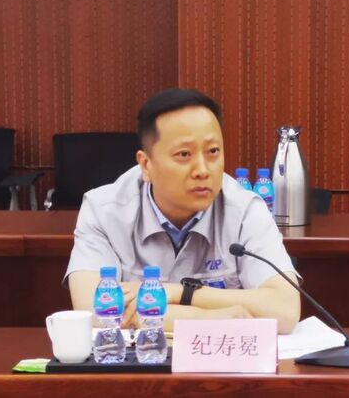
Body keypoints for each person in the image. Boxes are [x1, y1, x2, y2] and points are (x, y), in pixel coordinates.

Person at [65, 88, 300, 333]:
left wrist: (182, 293)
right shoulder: (103, 211)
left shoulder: (245, 210)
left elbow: (285, 310)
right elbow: (95, 311)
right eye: (184, 154)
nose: (203, 170)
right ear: (146, 165)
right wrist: (214, 318)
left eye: (213, 152)